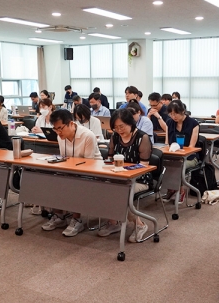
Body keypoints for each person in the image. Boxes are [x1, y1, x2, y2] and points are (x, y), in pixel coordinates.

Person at [41, 109, 102, 237]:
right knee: (52, 180)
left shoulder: (88, 136)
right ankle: (59, 216)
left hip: (94, 172)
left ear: (70, 123)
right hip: (72, 170)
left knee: (75, 183)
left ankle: (77, 219)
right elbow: (64, 158)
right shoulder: (60, 136)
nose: (58, 132)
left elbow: (88, 164)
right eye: (55, 129)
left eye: (60, 128)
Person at [97, 109, 153, 242]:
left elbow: (144, 166)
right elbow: (110, 159)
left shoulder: (142, 138)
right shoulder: (115, 136)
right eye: (115, 127)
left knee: (121, 193)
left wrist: (126, 172)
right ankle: (113, 222)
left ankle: (140, 225)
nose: (119, 130)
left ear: (131, 123)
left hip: (139, 179)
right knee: (101, 188)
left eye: (121, 126)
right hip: (119, 177)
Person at [162, 100, 200, 204]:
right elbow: (167, 143)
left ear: (183, 111)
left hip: (190, 157)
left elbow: (192, 146)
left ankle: (180, 191)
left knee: (178, 166)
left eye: (176, 113)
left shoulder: (194, 124)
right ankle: (171, 189)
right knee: (163, 164)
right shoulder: (169, 123)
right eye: (171, 114)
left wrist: (180, 152)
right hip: (172, 155)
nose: (173, 116)